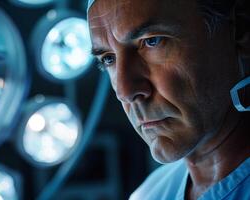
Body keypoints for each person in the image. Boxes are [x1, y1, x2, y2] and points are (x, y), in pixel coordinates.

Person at [87, 0, 250, 199]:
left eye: (152, 41)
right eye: (108, 59)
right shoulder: (150, 195)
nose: (125, 91)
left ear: (239, 31)